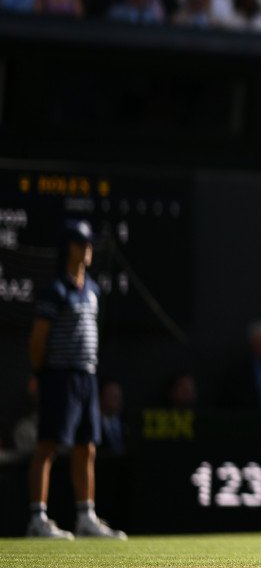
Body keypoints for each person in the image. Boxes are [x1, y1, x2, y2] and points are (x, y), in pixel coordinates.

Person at [26, 221, 125, 539]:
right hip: (59, 376)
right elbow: (38, 341)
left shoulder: (92, 290)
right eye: (84, 244)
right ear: (70, 248)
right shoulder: (55, 291)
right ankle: (37, 519)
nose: (89, 250)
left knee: (87, 447)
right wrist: (40, 374)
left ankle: (85, 517)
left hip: (86, 377)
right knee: (48, 445)